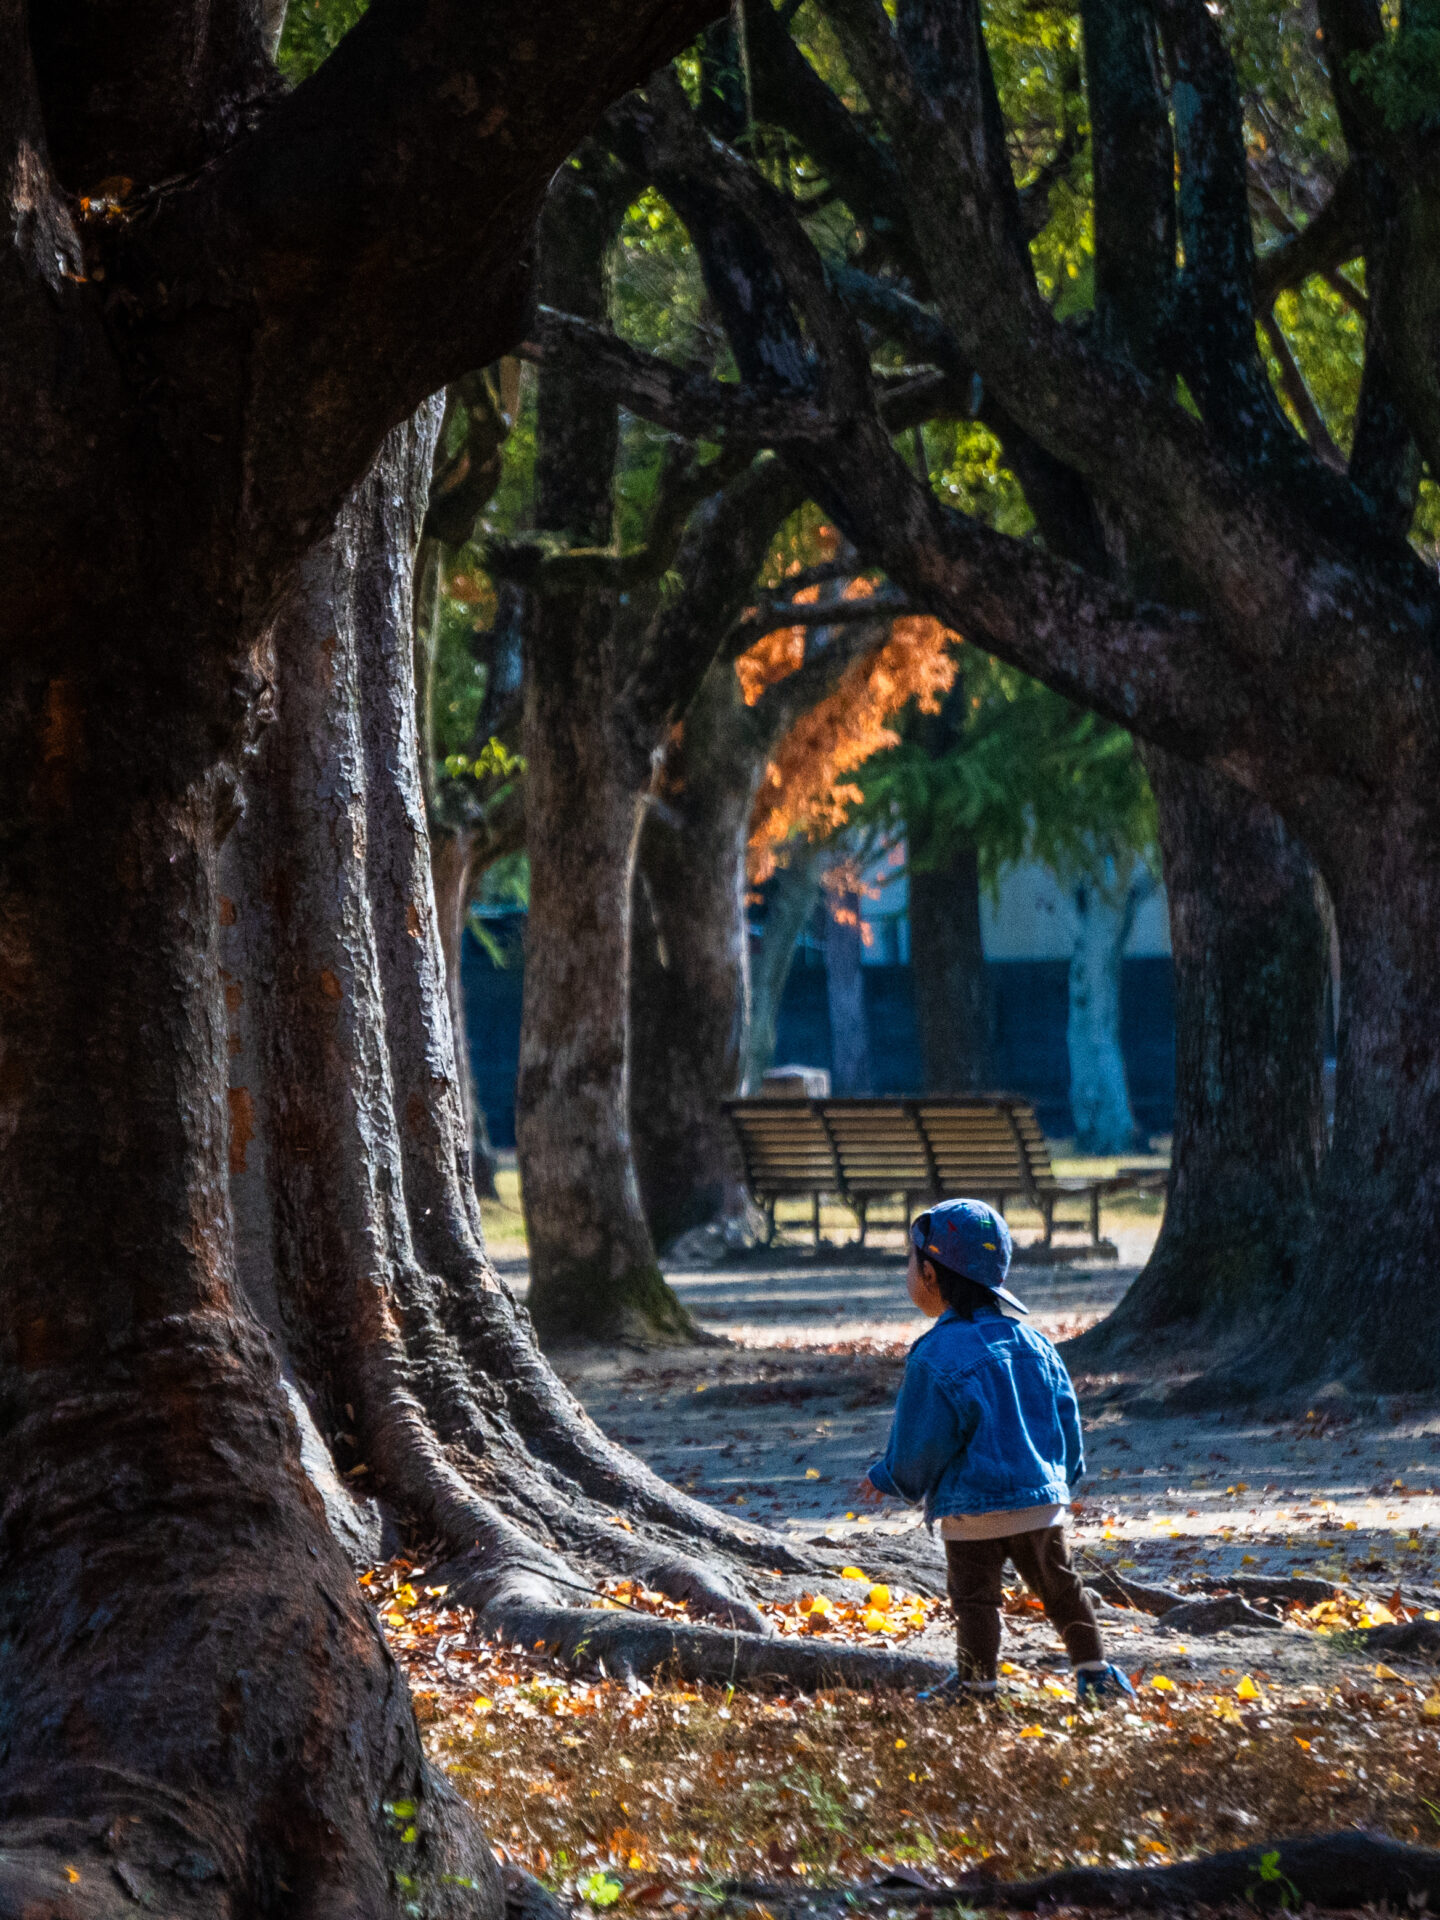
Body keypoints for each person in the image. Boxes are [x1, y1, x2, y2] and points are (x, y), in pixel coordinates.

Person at [859, 1198, 1134, 1704]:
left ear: (930, 1272)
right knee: (1061, 1587)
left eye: (909, 1263)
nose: (908, 1274)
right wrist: (1065, 1475)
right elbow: (1064, 1416)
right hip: (1039, 1502)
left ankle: (977, 1684)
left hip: (972, 1509)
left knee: (974, 1598)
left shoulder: (934, 1354)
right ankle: (1095, 1673)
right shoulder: (1036, 1343)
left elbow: (923, 1439)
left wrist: (893, 1477)